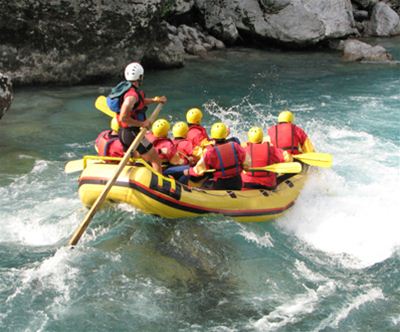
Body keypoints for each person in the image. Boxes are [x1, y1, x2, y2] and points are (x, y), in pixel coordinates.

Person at [117, 62, 167, 172]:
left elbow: (139, 102)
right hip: (132, 133)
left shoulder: (127, 90)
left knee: (133, 157)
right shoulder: (132, 95)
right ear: (140, 77)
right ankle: (159, 187)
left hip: (123, 132)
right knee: (155, 160)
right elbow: (123, 117)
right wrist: (142, 124)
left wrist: (155, 100)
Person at [184, 122, 248, 190]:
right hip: (237, 182)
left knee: (203, 184)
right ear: (225, 134)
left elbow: (199, 169)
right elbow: (247, 164)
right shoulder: (235, 146)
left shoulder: (211, 152)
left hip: (221, 185)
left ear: (212, 135)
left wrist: (188, 171)